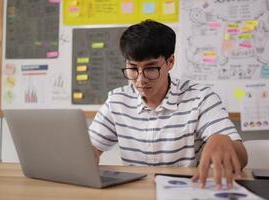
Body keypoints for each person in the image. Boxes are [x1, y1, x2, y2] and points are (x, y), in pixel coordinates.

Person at [89, 19, 247, 189]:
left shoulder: (200, 98)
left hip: (186, 191)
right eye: (133, 68)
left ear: (170, 62)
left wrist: (225, 141)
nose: (140, 80)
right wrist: (86, 154)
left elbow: (242, 157)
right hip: (135, 193)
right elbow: (89, 148)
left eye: (151, 68)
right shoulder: (117, 101)